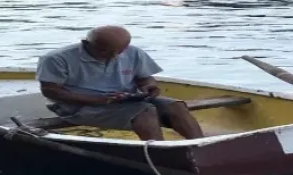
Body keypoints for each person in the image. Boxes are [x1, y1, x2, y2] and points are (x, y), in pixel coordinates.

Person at [35, 25, 203, 140]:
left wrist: (149, 87)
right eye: (105, 51)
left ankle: (199, 145)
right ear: (86, 43)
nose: (114, 56)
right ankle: (159, 154)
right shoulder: (56, 59)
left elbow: (145, 78)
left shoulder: (133, 52)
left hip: (125, 98)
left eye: (120, 51)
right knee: (146, 111)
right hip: (80, 107)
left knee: (176, 106)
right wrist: (98, 100)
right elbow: (51, 91)